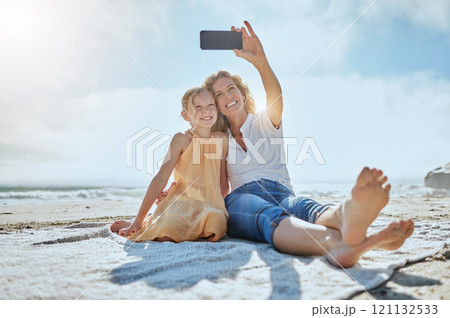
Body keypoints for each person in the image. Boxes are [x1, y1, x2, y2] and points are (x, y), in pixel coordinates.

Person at [157, 21, 414, 268]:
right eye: (219, 94)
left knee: (304, 207)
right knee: (268, 216)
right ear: (216, 106)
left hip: (283, 192)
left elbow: (275, 96)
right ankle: (340, 242)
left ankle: (348, 217)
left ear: (243, 93)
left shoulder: (265, 121)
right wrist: (180, 194)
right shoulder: (218, 140)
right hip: (242, 198)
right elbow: (208, 179)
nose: (228, 96)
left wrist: (260, 61)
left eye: (231, 88)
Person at [110, 87, 229, 242]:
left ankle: (162, 224)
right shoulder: (181, 140)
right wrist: (138, 219)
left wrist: (217, 202)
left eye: (210, 105)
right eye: (198, 107)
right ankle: (144, 223)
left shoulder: (222, 140)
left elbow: (223, 183)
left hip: (210, 206)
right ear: (185, 115)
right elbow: (160, 178)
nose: (206, 111)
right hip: (183, 202)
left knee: (217, 223)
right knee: (168, 233)